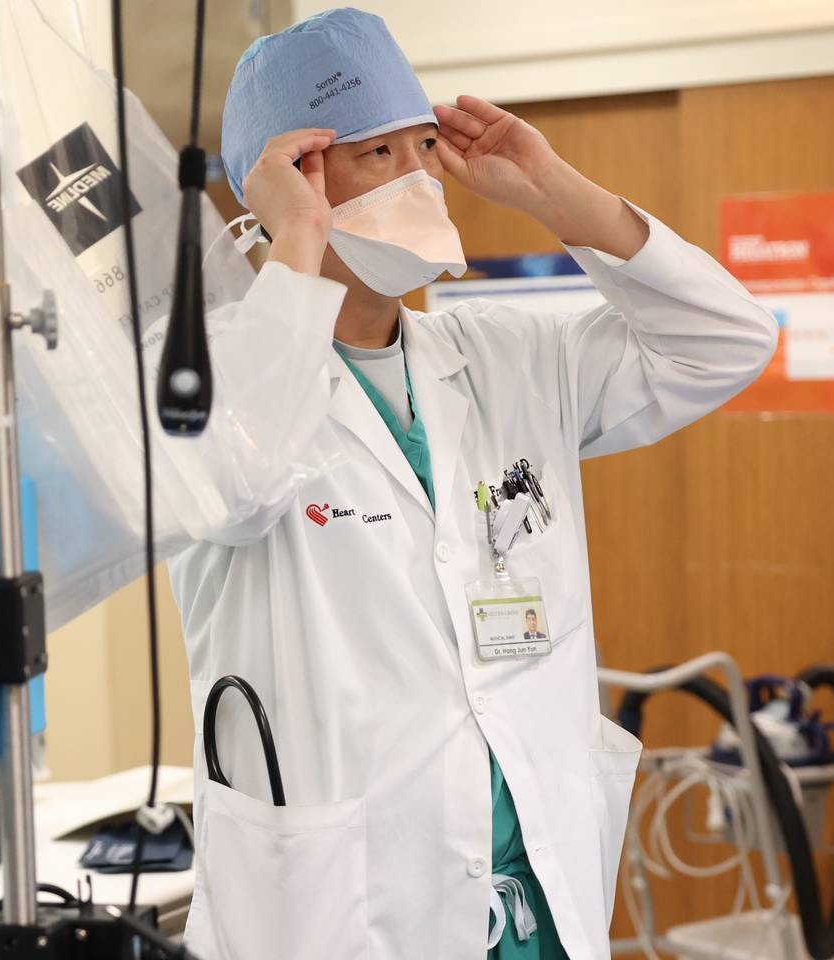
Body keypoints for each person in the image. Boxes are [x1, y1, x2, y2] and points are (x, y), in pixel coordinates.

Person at [167, 8, 777, 960]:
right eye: (380, 154)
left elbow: (727, 341)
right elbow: (236, 487)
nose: (420, 177)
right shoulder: (203, 387)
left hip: (536, 899)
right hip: (349, 921)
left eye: (425, 146)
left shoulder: (501, 357)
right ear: (292, 182)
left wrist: (557, 194)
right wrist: (294, 249)